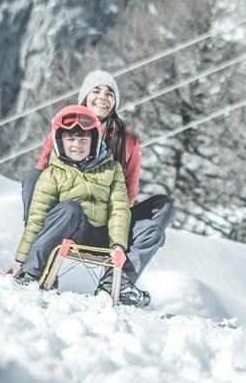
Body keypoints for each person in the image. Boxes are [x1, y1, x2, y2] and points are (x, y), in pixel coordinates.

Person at [22, 70, 173, 296]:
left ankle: (116, 282)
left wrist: (115, 225)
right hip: (70, 219)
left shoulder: (127, 140)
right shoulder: (64, 129)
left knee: (162, 207)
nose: (103, 96)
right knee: (34, 179)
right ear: (85, 97)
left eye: (109, 93)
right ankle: (38, 262)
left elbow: (129, 193)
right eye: (96, 90)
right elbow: (43, 177)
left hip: (109, 223)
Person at [4, 105, 148, 307]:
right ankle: (32, 272)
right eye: (70, 140)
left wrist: (117, 244)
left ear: (94, 142)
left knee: (143, 225)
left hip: (102, 236)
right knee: (69, 209)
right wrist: (22, 261)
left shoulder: (112, 169)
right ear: (60, 142)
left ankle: (116, 286)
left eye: (83, 140)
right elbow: (36, 219)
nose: (77, 145)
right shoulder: (52, 174)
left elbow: (119, 209)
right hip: (72, 233)